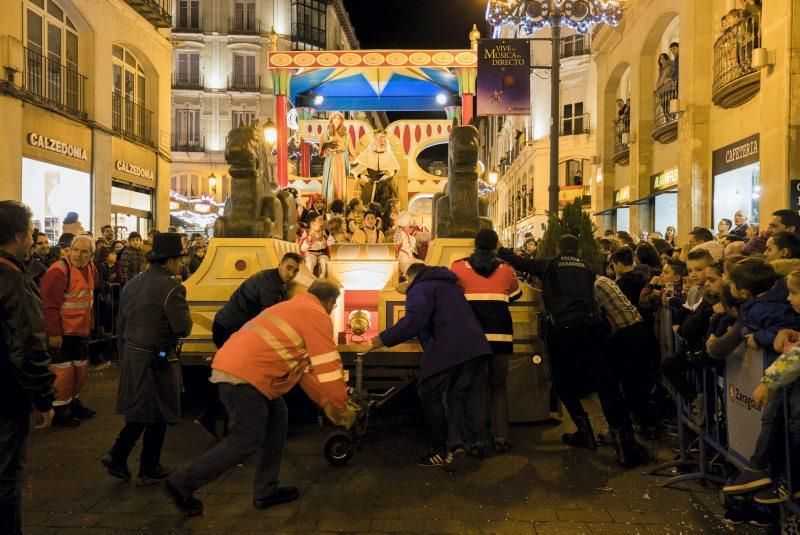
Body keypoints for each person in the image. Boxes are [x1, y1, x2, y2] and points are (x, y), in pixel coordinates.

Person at [165, 280, 355, 516]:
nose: (332, 309)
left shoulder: (291, 308)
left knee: (277, 419)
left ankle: (266, 491)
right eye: (334, 305)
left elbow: (303, 369)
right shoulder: (316, 314)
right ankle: (182, 482)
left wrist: (326, 402)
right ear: (329, 302)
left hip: (242, 371)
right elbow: (327, 364)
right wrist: (340, 404)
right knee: (244, 441)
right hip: (248, 377)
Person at [369, 263, 491, 467]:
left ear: (411, 278)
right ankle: (456, 444)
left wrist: (384, 338)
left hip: (450, 348)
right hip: (476, 347)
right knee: (457, 395)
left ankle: (439, 450)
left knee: (429, 392)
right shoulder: (447, 285)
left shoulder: (420, 288)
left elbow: (413, 321)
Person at [103, 233, 193, 486]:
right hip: (158, 356)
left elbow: (122, 321)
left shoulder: (134, 282)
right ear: (173, 260)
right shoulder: (173, 286)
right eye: (180, 259)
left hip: (133, 353)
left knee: (141, 409)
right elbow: (182, 327)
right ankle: (146, 464)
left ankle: (120, 457)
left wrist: (124, 351)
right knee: (158, 411)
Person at [196, 253, 301, 439]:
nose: (292, 273)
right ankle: (230, 433)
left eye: (296, 271)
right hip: (229, 329)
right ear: (280, 265)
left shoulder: (273, 279)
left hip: (228, 327)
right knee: (235, 378)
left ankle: (211, 419)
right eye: (289, 267)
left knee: (231, 377)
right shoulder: (271, 286)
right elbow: (270, 320)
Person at [0, 201, 55, 534]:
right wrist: (43, 397)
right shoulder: (16, 280)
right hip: (7, 393)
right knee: (7, 475)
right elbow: (30, 345)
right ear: (19, 234)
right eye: (31, 231)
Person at [450, 230, 521, 454]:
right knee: (498, 386)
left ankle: (478, 441)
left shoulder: (458, 267)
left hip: (473, 338)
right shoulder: (507, 269)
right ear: (495, 246)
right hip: (501, 337)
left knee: (476, 387)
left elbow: (452, 296)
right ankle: (501, 437)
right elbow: (514, 296)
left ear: (475, 245)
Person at [40, 235, 98, 427]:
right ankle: (60, 410)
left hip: (80, 331)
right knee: (62, 372)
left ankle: (73, 402)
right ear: (69, 249)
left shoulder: (91, 268)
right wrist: (54, 333)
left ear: (91, 255)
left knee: (79, 369)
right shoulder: (59, 271)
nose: (78, 255)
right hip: (63, 333)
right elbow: (49, 306)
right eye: (75, 250)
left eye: (84, 251)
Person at [353, 129, 400, 206]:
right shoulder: (368, 153)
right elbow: (360, 165)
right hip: (370, 177)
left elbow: (393, 168)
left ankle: (385, 208)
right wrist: (363, 175)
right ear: (375, 141)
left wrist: (386, 174)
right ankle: (366, 208)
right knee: (364, 184)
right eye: (380, 139)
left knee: (388, 185)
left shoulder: (388, 154)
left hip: (383, 178)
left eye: (383, 139)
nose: (382, 141)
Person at [319, 112, 356, 202]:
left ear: (341, 121)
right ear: (331, 120)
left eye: (339, 118)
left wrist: (354, 161)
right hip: (331, 159)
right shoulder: (326, 133)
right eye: (335, 118)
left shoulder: (346, 134)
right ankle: (329, 203)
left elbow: (350, 148)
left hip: (343, 159)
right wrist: (326, 145)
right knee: (332, 182)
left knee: (343, 182)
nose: (337, 120)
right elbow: (321, 150)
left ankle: (342, 204)